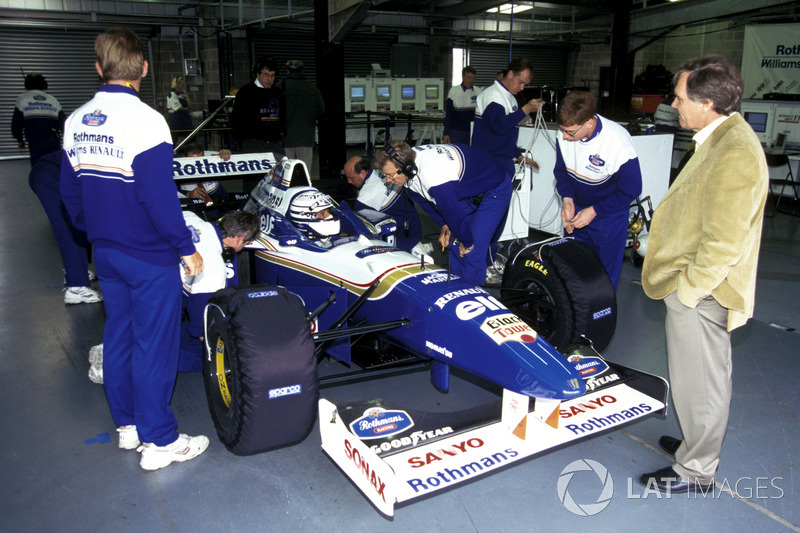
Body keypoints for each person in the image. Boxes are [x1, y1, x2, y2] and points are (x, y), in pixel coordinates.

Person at [60, 26, 209, 471]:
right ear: (144, 69)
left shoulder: (75, 121)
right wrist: (186, 247)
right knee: (154, 346)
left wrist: (100, 231)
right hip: (148, 256)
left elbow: (70, 197)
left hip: (105, 253)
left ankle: (128, 426)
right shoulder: (147, 121)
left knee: (119, 336)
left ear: (98, 68)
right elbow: (158, 197)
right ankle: (160, 441)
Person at [639, 54, 768, 494]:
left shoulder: (735, 151)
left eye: (678, 98)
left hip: (705, 290)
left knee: (704, 381)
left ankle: (697, 470)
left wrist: (689, 292)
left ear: (708, 103)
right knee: (693, 377)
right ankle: (697, 444)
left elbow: (724, 241)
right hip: (694, 284)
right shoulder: (718, 136)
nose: (673, 105)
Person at [374, 141, 511, 286]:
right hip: (463, 186)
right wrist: (444, 224)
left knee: (472, 250)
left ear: (406, 169)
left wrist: (468, 243)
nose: (388, 180)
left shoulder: (435, 177)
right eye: (385, 175)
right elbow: (422, 200)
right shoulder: (407, 162)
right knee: (453, 242)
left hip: (495, 186)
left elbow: (453, 213)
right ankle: (457, 288)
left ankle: (472, 293)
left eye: (391, 175)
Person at [553, 91, 642, 291]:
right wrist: (567, 199)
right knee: (573, 267)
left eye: (570, 133)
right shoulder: (565, 132)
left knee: (604, 274)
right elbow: (561, 170)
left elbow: (632, 189)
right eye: (562, 130)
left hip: (608, 214)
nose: (564, 137)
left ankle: (602, 314)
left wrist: (595, 211)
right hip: (577, 208)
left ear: (589, 123)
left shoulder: (617, 141)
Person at [471, 58, 543, 282]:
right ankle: (480, 264)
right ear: (511, 74)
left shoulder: (507, 97)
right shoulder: (493, 96)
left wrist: (518, 154)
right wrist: (525, 109)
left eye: (525, 84)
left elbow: (504, 134)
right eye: (521, 82)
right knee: (489, 217)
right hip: (489, 163)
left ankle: (489, 259)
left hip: (501, 160)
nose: (522, 87)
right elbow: (499, 126)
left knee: (498, 216)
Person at [179, 210, 259, 372]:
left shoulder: (190, 216)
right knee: (204, 358)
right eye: (246, 243)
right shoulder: (214, 268)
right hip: (157, 304)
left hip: (136, 275)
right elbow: (201, 323)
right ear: (239, 239)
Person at [28, 150, 102, 304]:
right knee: (70, 228)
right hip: (50, 175)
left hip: (54, 172)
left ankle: (76, 271)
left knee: (79, 223)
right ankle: (76, 287)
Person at [343, 155, 422, 253]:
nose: (349, 182)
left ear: (362, 173)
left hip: (403, 240)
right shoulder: (385, 173)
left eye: (351, 178)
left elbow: (359, 229)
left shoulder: (366, 197)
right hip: (415, 225)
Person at [231, 55, 285, 158]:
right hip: (252, 144)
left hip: (275, 143)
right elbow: (236, 119)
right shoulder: (246, 92)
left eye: (272, 76)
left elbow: (283, 116)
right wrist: (241, 141)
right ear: (258, 74)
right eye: (266, 75)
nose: (269, 79)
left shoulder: (278, 93)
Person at [279, 60, 324, 175]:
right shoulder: (312, 88)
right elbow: (321, 109)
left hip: (285, 138)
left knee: (285, 173)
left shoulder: (279, 87)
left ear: (287, 71)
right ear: (302, 71)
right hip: (306, 137)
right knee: (304, 173)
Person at [12, 72, 66, 166]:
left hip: (35, 141)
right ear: (43, 83)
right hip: (53, 140)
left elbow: (17, 123)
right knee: (55, 167)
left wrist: (19, 139)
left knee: (38, 169)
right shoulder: (52, 100)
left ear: (27, 83)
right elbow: (63, 123)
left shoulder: (23, 99)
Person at [444, 66, 481, 145]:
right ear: (463, 76)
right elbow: (449, 115)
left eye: (473, 78)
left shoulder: (479, 92)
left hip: (473, 131)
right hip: (457, 132)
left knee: (472, 154)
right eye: (469, 77)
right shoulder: (454, 91)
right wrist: (446, 133)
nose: (471, 80)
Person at [166, 76, 192, 140]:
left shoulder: (182, 94)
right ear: (177, 84)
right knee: (174, 138)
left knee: (190, 137)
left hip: (185, 118)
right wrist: (186, 108)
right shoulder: (172, 94)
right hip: (176, 119)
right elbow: (178, 108)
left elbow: (190, 105)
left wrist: (186, 95)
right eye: (182, 83)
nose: (183, 85)